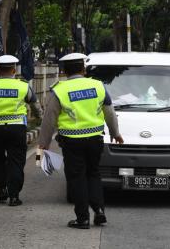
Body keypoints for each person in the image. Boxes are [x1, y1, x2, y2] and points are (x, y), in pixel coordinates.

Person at [38, 53, 123, 229]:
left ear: (63, 71)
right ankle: (99, 211)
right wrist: (115, 133)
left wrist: (43, 143)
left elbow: (49, 119)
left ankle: (82, 218)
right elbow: (109, 112)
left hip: (71, 141)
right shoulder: (98, 86)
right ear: (83, 69)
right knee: (93, 174)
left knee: (76, 178)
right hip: (95, 139)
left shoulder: (59, 90)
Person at [0, 55, 43, 206]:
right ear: (14, 69)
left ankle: (2, 191)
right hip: (17, 128)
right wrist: (40, 118)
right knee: (16, 160)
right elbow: (35, 105)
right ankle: (14, 196)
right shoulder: (23, 86)